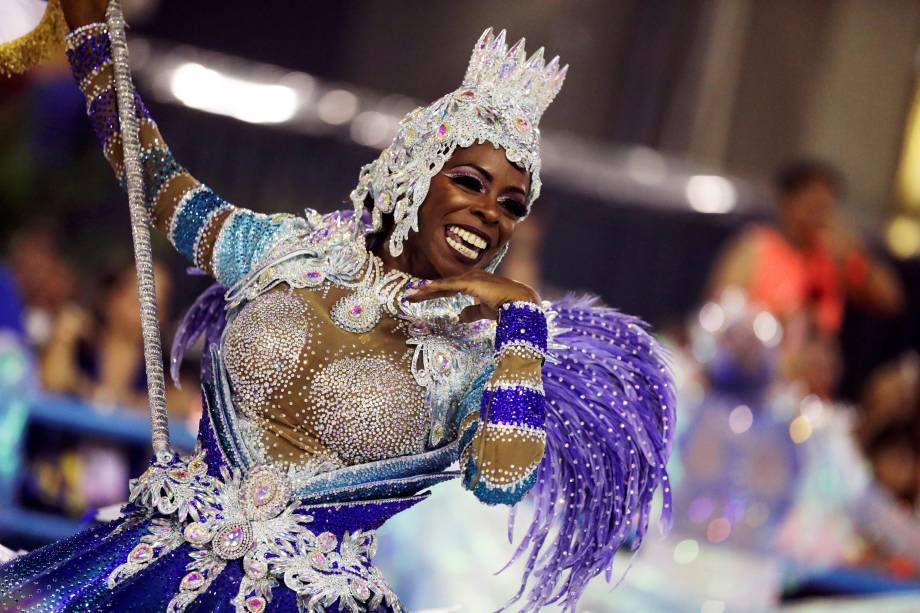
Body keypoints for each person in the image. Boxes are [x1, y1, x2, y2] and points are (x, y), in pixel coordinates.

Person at [0, 3, 675, 612]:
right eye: (470, 182)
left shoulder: (474, 355)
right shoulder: (285, 250)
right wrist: (90, 41)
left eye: (510, 205)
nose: (488, 213)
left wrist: (522, 325)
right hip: (144, 568)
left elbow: (502, 476)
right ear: (415, 166)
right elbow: (159, 187)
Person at [706, 160, 904, 339]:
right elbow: (721, 316)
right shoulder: (755, 248)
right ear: (787, 202)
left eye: (823, 207)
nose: (815, 216)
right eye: (809, 205)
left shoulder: (832, 256)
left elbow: (890, 301)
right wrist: (776, 320)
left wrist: (855, 257)